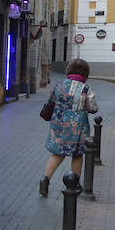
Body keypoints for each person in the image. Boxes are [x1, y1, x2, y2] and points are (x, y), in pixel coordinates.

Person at [40, 58, 98, 196]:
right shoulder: (86, 89)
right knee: (77, 155)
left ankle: (45, 179)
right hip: (77, 128)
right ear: (86, 73)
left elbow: (50, 102)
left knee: (57, 154)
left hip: (58, 125)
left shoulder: (59, 85)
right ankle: (75, 184)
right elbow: (93, 108)